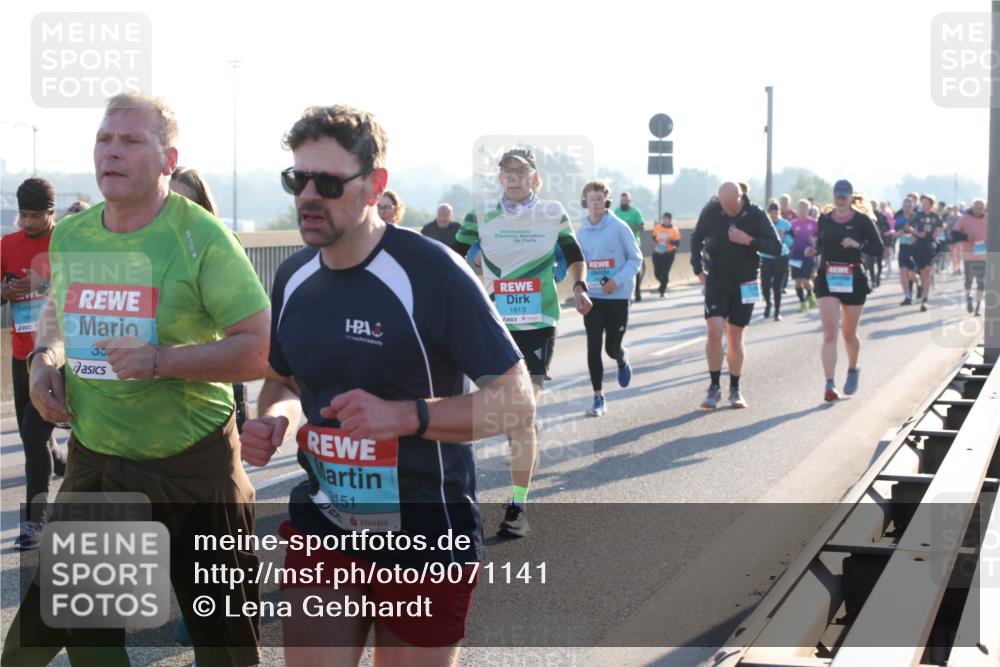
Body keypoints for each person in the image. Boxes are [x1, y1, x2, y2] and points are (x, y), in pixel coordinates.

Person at [242, 104, 534, 667]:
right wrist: (280, 418)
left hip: (426, 535)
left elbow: (517, 404)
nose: (308, 195)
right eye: (296, 179)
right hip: (325, 524)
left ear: (375, 185)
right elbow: (283, 379)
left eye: (327, 183)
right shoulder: (292, 275)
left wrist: (407, 418)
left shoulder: (432, 271)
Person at [1, 93, 270, 667]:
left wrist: (159, 360)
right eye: (104, 139)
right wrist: (44, 359)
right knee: (51, 644)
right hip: (100, 463)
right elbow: (57, 311)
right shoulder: (71, 234)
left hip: (192, 468)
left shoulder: (201, 238)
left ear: (168, 158)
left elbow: (261, 349)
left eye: (131, 141)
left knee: (225, 650)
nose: (112, 152)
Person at [453, 147, 590, 538]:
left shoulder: (552, 213)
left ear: (534, 176)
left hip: (539, 322)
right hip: (493, 322)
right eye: (506, 172)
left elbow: (574, 253)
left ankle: (517, 505)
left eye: (520, 171)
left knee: (521, 415)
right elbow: (455, 260)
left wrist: (579, 286)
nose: (513, 177)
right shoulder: (479, 214)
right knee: (500, 415)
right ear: (500, 178)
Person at [0, 177, 67, 550]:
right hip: (21, 357)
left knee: (32, 433)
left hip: (58, 357)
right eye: (23, 215)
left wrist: (46, 286)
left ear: (51, 213)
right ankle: (61, 462)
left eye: (35, 216)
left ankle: (33, 524)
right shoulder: (7, 245)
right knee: (36, 437)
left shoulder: (66, 243)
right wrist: (4, 292)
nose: (27, 222)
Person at [690, 181, 781, 409]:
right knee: (714, 331)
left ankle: (735, 388)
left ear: (741, 198)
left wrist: (749, 240)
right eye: (724, 205)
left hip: (746, 281)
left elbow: (776, 247)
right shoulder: (711, 212)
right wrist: (698, 269)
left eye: (732, 206)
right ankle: (713, 387)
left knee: (735, 338)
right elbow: (695, 238)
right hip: (717, 280)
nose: (728, 210)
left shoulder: (756, 214)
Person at [808, 182, 883, 401]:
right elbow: (823, 244)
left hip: (853, 277)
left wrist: (857, 245)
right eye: (837, 196)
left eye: (844, 196)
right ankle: (829, 384)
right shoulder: (825, 218)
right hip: (828, 276)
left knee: (848, 334)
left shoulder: (862, 220)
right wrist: (814, 250)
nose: (840, 200)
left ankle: (852, 369)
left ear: (850, 197)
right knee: (830, 332)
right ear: (833, 197)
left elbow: (878, 248)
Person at [576, 180, 641, 416]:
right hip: (592, 296)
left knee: (611, 348)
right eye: (592, 198)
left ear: (606, 202)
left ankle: (621, 358)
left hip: (618, 296)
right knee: (593, 346)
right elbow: (578, 262)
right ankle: (598, 397)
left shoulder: (619, 227)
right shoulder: (580, 232)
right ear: (585, 202)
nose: (596, 203)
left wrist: (616, 281)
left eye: (600, 199)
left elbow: (636, 259)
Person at [952, 198, 988, 316]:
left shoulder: (988, 219)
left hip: (983, 256)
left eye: (981, 207)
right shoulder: (965, 218)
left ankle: (978, 306)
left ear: (984, 208)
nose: (979, 209)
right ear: (972, 207)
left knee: (981, 282)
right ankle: (968, 297)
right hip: (969, 256)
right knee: (969, 281)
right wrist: (966, 237)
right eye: (976, 207)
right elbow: (954, 234)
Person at [909, 194, 945, 312]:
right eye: (922, 203)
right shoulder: (918, 215)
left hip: (931, 245)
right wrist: (917, 233)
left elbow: (941, 226)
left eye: (926, 203)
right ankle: (920, 285)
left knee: (928, 273)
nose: (924, 205)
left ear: (931, 204)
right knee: (920, 272)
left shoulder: (936, 216)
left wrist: (937, 233)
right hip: (919, 245)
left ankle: (924, 300)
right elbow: (908, 226)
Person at [759, 202, 792, 321]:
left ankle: (777, 312)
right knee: (765, 285)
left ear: (779, 213)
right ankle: (768, 304)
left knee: (777, 286)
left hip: (781, 257)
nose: (774, 215)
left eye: (776, 212)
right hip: (767, 257)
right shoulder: (763, 224)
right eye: (772, 213)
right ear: (768, 213)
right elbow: (759, 239)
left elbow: (791, 241)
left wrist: (784, 238)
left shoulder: (786, 224)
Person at [614, 191, 646, 301]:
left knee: (639, 268)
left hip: (634, 243)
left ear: (629, 201)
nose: (624, 202)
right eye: (622, 200)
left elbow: (641, 226)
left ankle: (637, 290)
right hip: (620, 246)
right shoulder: (616, 212)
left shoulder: (636, 212)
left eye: (626, 200)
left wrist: (628, 230)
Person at [789, 199, 818, 313]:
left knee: (806, 280)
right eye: (800, 207)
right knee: (797, 282)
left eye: (804, 207)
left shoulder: (814, 223)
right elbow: (787, 238)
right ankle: (802, 303)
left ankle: (811, 295)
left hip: (809, 255)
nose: (801, 209)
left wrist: (815, 240)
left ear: (808, 209)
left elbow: (820, 238)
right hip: (795, 256)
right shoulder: (792, 224)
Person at [894, 197, 919, 305]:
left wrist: (913, 233)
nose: (906, 208)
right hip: (903, 247)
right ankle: (907, 296)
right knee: (903, 274)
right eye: (904, 206)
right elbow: (894, 234)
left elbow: (921, 233)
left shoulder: (917, 217)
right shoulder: (899, 218)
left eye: (909, 206)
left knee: (912, 274)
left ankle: (919, 284)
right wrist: (899, 233)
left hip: (915, 248)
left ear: (913, 206)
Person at [651, 212, 681, 297]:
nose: (665, 221)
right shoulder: (658, 227)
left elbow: (678, 243)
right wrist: (654, 243)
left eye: (667, 220)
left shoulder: (674, 230)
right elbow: (653, 237)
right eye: (663, 219)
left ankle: (662, 290)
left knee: (665, 272)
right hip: (658, 252)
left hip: (669, 253)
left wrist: (670, 241)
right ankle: (662, 282)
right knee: (657, 272)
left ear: (670, 220)